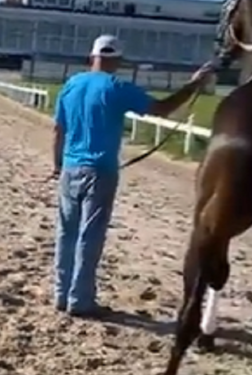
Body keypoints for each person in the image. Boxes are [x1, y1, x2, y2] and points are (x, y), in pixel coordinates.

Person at [51, 34, 215, 316]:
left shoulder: (71, 84)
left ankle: (60, 294)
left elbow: (58, 130)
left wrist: (57, 164)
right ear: (117, 60)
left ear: (92, 57)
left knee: (67, 232)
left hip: (70, 167)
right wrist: (195, 84)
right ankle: (80, 300)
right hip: (101, 170)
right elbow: (163, 108)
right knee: (90, 235)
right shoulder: (117, 87)